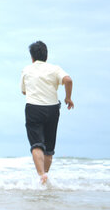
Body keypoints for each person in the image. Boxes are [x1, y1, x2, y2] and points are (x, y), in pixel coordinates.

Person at [20, 41, 74, 184]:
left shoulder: (26, 70)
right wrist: (68, 97)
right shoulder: (55, 69)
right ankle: (45, 176)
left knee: (36, 145)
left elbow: (23, 91)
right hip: (52, 109)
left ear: (32, 57)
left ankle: (41, 175)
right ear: (46, 56)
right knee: (49, 149)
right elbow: (68, 80)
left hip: (33, 108)